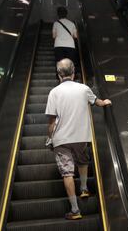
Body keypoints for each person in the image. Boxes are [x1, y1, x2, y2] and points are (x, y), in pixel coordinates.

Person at [45, 58, 112, 220]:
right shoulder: (84, 89)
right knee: (82, 161)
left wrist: (49, 138)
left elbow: (52, 122)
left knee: (67, 173)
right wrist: (105, 102)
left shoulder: (54, 92)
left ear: (58, 74)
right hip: (81, 136)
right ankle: (83, 188)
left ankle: (75, 210)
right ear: (73, 72)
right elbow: (97, 102)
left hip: (61, 138)